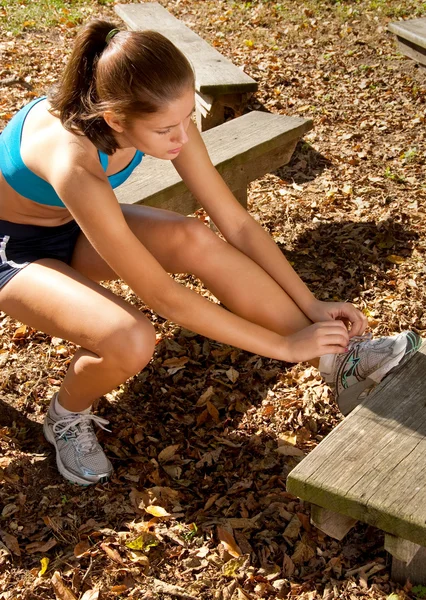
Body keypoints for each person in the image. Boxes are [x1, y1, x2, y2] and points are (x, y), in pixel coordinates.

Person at [0, 20, 421, 486]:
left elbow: (235, 222)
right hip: (11, 249)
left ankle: (338, 358)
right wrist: (281, 347)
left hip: (68, 224)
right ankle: (64, 415)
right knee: (131, 338)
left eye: (187, 117)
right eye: (166, 130)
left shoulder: (161, 115)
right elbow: (162, 297)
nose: (183, 136)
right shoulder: (72, 159)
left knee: (194, 237)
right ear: (116, 120)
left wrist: (312, 306)